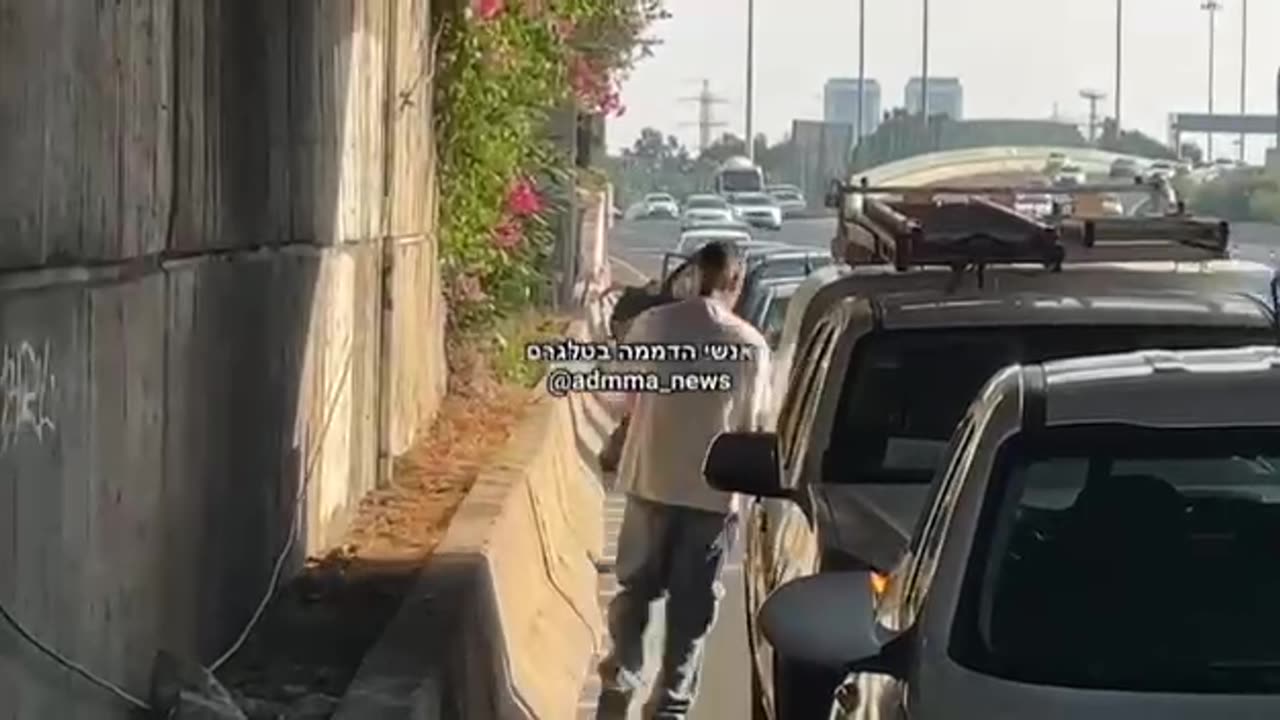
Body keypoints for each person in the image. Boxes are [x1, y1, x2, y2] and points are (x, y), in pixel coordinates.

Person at [596, 241, 773, 719]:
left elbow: (617, 395)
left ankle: (618, 689)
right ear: (735, 283)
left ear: (696, 277)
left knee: (634, 597)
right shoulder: (749, 346)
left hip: (649, 485)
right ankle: (669, 710)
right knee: (690, 617)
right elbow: (752, 428)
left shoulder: (654, 325)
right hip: (712, 502)